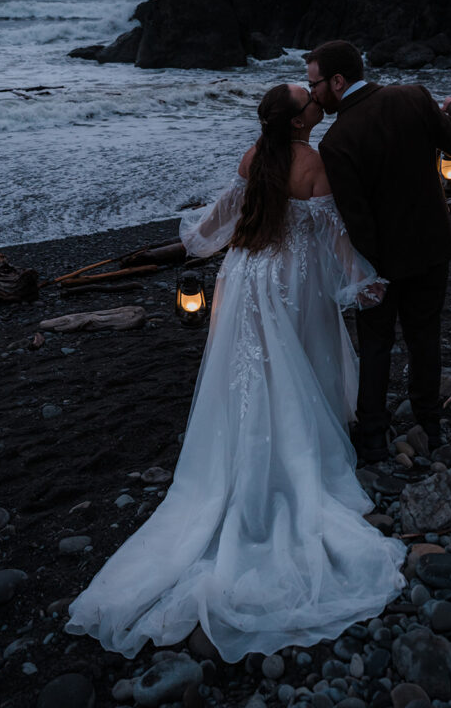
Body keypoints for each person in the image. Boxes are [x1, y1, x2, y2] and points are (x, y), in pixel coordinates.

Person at [65, 83, 405, 662]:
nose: (318, 105)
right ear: (298, 122)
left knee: (247, 373)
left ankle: (238, 451)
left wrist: (196, 239)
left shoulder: (255, 154)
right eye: (310, 102)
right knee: (294, 359)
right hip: (288, 281)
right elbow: (331, 237)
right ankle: (291, 458)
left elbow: (222, 219)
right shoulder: (312, 163)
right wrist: (362, 282)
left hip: (244, 275)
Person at [306, 40, 451, 462]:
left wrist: (369, 270)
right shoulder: (413, 97)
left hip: (380, 262)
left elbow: (356, 218)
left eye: (315, 84)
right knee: (425, 337)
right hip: (432, 248)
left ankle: (374, 436)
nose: (312, 93)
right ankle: (430, 423)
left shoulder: (336, 141)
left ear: (339, 81)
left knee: (376, 346)